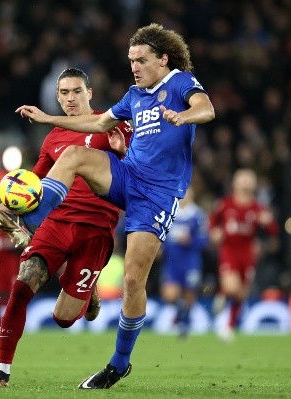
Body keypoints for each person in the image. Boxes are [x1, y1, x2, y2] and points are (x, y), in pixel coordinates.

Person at [13, 23, 215, 389]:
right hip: (127, 176)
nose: (134, 66)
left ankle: (119, 364)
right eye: (131, 60)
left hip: (157, 195)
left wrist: (182, 116)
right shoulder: (134, 95)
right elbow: (99, 121)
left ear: (162, 59)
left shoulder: (180, 83)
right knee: (76, 152)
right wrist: (47, 118)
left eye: (141, 59)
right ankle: (35, 220)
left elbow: (207, 109)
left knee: (133, 281)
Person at [0, 68, 133, 388]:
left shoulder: (111, 124)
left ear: (90, 93)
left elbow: (137, 172)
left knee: (64, 318)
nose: (71, 98)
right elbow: (30, 189)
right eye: (65, 93)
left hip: (95, 228)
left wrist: (125, 153)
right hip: (55, 223)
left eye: (77, 92)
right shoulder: (54, 137)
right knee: (22, 284)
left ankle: (88, 291)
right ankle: (1, 373)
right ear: (57, 96)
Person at [209, 169, 278, 342]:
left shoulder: (257, 208)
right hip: (229, 251)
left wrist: (268, 222)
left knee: (241, 294)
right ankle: (222, 295)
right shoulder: (225, 204)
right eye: (242, 179)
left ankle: (229, 327)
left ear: (254, 184)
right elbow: (212, 222)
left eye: (249, 179)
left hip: (247, 254)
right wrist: (215, 233)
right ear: (235, 183)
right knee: (231, 287)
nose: (246, 182)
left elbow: (273, 230)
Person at [159, 188, 208, 338]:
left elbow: (204, 240)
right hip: (172, 262)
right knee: (169, 294)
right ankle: (180, 310)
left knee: (189, 294)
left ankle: (184, 326)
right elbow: (162, 234)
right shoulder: (169, 212)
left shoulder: (198, 215)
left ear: (193, 195)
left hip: (190, 262)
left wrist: (190, 241)